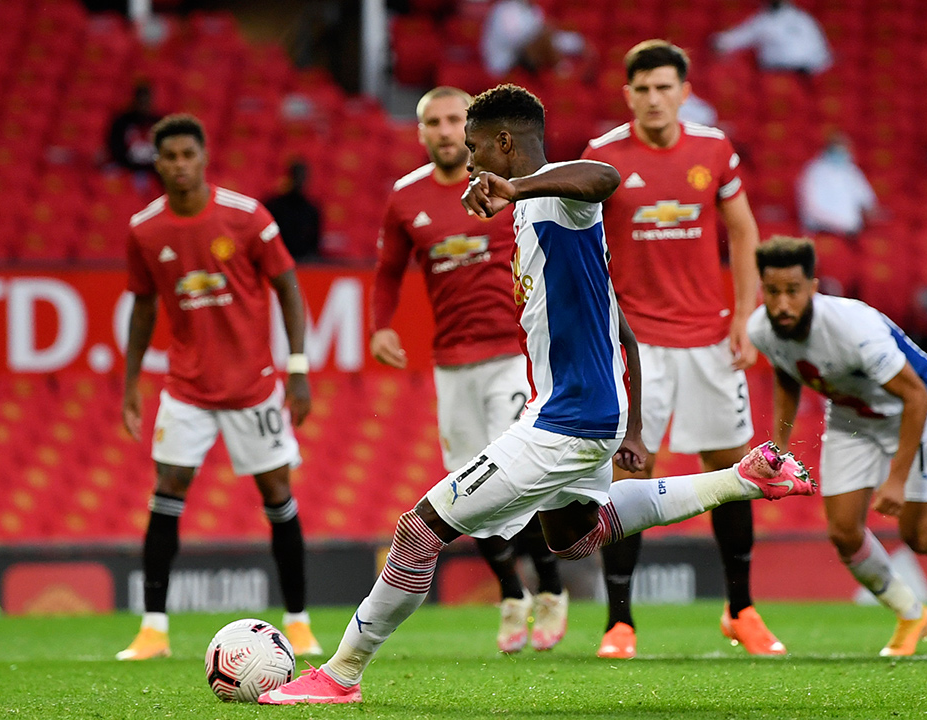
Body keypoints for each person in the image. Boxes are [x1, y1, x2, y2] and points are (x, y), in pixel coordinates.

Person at [259, 84, 815, 705]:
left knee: (419, 529)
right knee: (573, 535)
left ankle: (340, 675)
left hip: (568, 421)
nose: (469, 164)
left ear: (503, 143)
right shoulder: (530, 210)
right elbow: (621, 327)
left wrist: (519, 187)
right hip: (584, 413)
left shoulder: (554, 198)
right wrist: (629, 424)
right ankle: (743, 478)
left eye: (475, 149)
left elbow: (604, 176)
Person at [582, 40, 777, 658]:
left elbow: (744, 229)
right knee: (629, 474)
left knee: (735, 470)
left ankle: (741, 609)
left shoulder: (714, 149)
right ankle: (620, 622)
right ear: (628, 95)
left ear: (684, 91)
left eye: (665, 87)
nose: (654, 98)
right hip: (637, 345)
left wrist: (744, 315)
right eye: (642, 89)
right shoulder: (603, 156)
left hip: (709, 339)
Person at [371, 86, 568, 654]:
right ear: (420, 132)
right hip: (452, 363)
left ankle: (551, 587)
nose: (444, 129)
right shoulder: (405, 198)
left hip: (513, 354)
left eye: (454, 118)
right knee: (466, 484)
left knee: (516, 472)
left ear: (471, 125)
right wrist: (381, 324)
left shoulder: (506, 185)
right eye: (432, 121)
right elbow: (387, 271)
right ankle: (512, 593)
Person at [117, 114, 321, 660]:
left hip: (253, 386)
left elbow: (289, 287)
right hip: (186, 387)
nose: (180, 165)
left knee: (276, 491)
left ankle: (298, 621)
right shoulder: (146, 229)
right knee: (169, 486)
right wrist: (132, 379)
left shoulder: (247, 216)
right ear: (157, 163)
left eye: (188, 154)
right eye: (169, 157)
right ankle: (153, 630)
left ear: (204, 157)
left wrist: (296, 366)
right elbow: (142, 305)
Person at [749, 235, 927, 656]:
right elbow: (787, 374)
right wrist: (776, 447)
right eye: (773, 291)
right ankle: (911, 614)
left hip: (918, 411)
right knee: (843, 532)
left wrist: (896, 479)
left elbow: (916, 397)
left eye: (793, 292)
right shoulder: (761, 328)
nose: (782, 304)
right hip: (853, 418)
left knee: (920, 537)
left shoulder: (854, 331)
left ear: (813, 288)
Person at [712, 1, 832, 75]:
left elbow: (821, 52)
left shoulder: (803, 19)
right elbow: (735, 39)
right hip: (773, 72)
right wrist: (720, 42)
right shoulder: (763, 20)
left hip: (803, 73)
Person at [797, 131, 877, 239]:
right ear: (828, 149)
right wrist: (840, 224)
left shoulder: (851, 171)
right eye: (838, 149)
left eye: (845, 148)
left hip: (851, 232)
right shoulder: (813, 171)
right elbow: (811, 209)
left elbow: (867, 200)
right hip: (821, 231)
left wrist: (867, 213)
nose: (842, 152)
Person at [481, 0, 585, 77]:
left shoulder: (533, 9)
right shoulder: (506, 9)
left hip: (526, 63)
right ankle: (560, 68)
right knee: (542, 40)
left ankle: (561, 69)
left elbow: (551, 38)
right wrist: (545, 31)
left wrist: (578, 43)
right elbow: (523, 41)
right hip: (504, 67)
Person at [106, 82, 163, 188]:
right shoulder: (121, 122)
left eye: (146, 101)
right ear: (135, 101)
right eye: (141, 101)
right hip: (126, 167)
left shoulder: (160, 123)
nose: (144, 105)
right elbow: (116, 149)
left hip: (153, 170)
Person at [264, 160, 322, 261]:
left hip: (303, 263)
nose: (299, 181)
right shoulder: (274, 206)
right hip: (277, 260)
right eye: (296, 176)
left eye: (302, 177)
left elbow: (314, 243)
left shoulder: (311, 209)